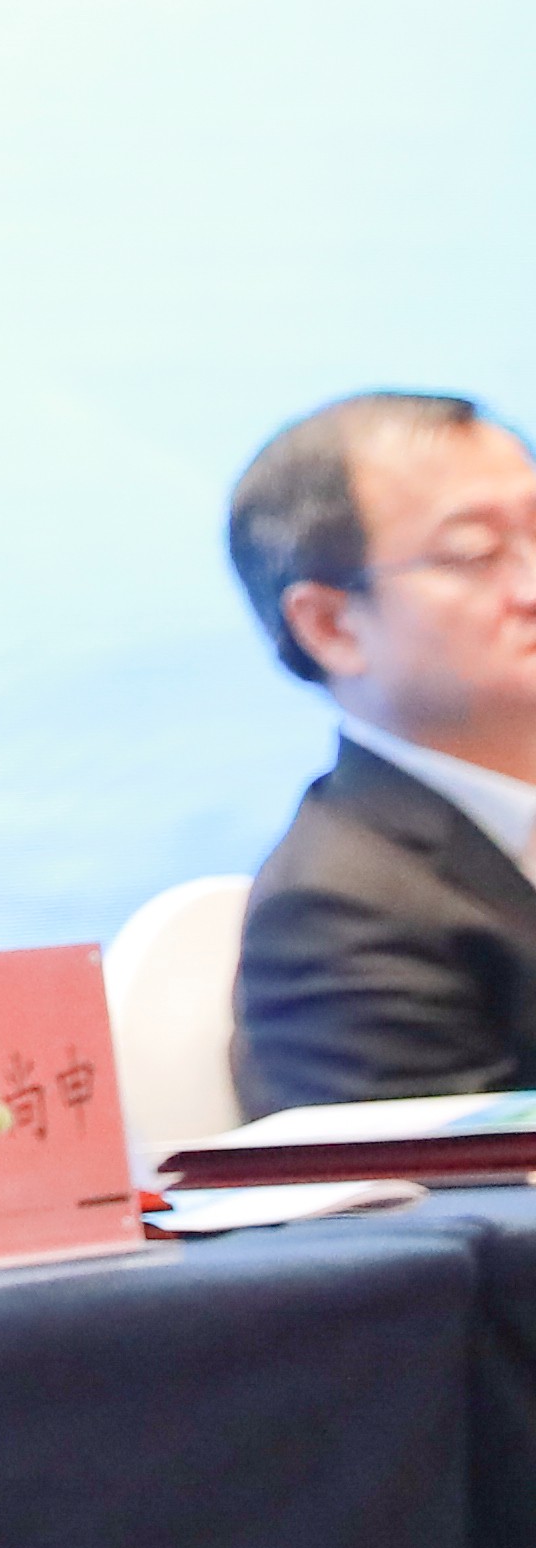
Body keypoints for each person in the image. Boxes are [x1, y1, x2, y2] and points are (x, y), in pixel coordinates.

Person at [226, 391, 536, 1113]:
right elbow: (463, 1184)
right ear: (331, 626)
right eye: (476, 553)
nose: (530, 584)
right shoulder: (334, 914)